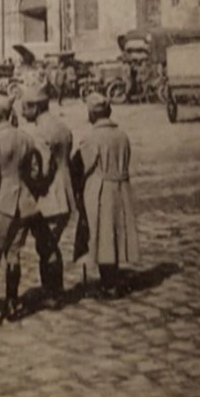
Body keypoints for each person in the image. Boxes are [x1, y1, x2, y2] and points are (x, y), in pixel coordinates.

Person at [0, 91, 41, 322]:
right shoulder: (25, 137)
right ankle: (13, 303)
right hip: (23, 202)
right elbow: (34, 171)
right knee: (14, 254)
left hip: (0, 202)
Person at [73, 93, 140, 299]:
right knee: (117, 233)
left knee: (103, 235)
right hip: (122, 187)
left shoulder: (92, 138)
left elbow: (80, 167)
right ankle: (113, 278)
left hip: (100, 188)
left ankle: (109, 284)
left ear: (92, 114)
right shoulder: (122, 134)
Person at [21, 85, 75, 308]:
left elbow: (40, 170)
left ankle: (53, 292)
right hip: (64, 192)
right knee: (50, 244)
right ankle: (53, 290)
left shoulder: (38, 133)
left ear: (35, 107)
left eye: (25, 107)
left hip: (48, 196)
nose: (22, 112)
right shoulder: (62, 127)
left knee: (46, 246)